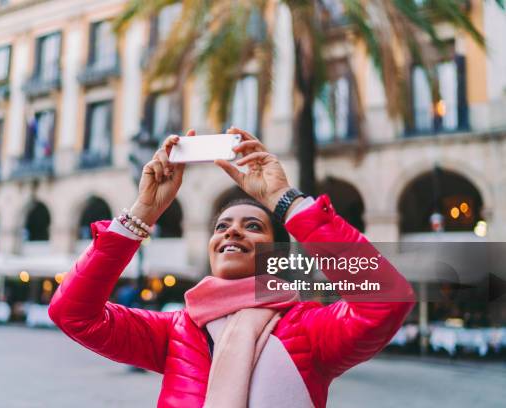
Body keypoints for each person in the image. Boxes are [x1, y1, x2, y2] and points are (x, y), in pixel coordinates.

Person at [48, 127, 415, 408]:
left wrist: (284, 200)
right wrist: (143, 212)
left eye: (252, 226)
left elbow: (385, 301)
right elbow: (73, 314)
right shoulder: (175, 331)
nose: (232, 231)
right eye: (221, 226)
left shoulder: (308, 329)